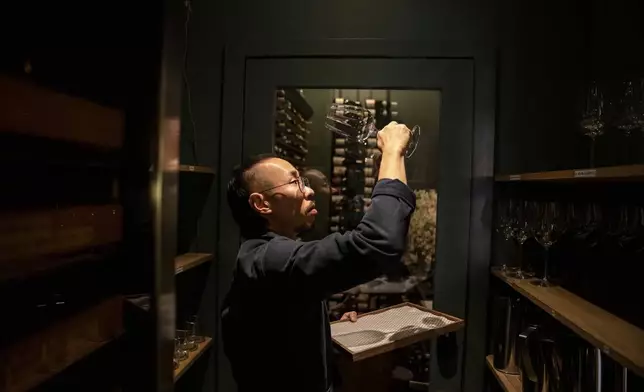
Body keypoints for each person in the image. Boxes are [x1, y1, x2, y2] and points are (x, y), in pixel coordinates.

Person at [221, 122, 416, 392]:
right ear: (261, 204)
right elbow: (378, 242)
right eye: (295, 182)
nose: (309, 190)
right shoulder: (270, 259)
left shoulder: (265, 254)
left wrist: (326, 321)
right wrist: (393, 152)